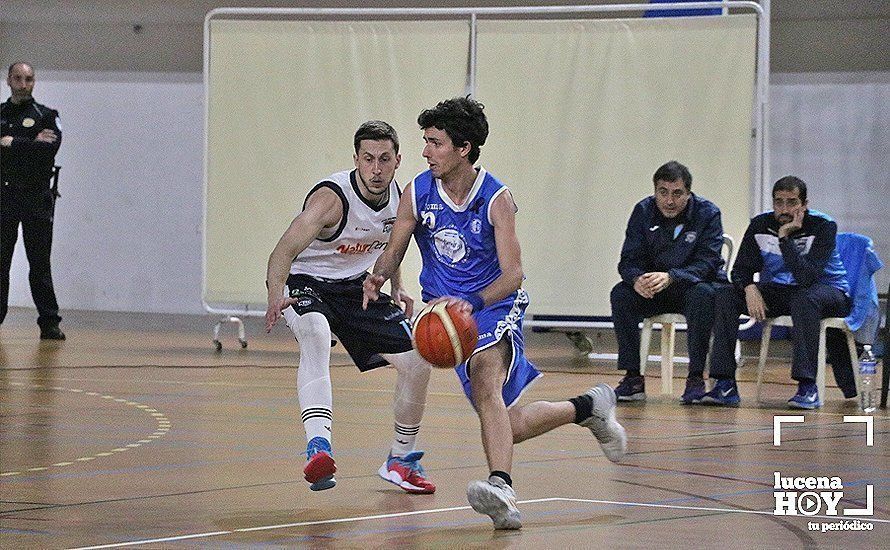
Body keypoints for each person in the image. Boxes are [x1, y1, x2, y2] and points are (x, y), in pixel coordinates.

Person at [363, 97, 626, 530]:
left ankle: (501, 487)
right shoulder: (418, 190)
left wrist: (476, 303)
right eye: (425, 142)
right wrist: (376, 278)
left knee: (487, 379)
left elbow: (514, 275)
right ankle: (588, 407)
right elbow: (394, 251)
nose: (426, 152)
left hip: (493, 306)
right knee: (506, 422)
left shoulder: (495, 198)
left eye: (435, 143)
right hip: (443, 315)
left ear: (463, 148)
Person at [265, 120, 436, 494]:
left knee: (418, 362)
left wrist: (399, 286)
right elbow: (283, 250)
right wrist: (276, 293)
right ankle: (318, 447)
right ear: (356, 159)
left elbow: (391, 246)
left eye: (385, 159)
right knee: (316, 334)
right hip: (306, 281)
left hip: (358, 287)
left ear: (398, 161)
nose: (376, 169)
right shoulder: (332, 199)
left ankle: (401, 460)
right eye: (368, 159)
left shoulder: (401, 199)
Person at [707, 176, 853, 409]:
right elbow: (740, 269)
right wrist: (749, 287)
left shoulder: (823, 226)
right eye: (779, 202)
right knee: (725, 295)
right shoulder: (760, 225)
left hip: (829, 292)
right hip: (786, 292)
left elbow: (807, 278)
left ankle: (807, 387)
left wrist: (785, 237)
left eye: (792, 202)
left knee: (805, 299)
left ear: (804, 205)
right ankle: (724, 383)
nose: (784, 209)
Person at [611, 161, 726, 404]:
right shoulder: (643, 211)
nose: (669, 201)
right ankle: (633, 378)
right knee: (620, 294)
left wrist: (672, 276)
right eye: (663, 193)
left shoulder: (708, 213)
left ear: (688, 193)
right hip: (655, 290)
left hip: (690, 287)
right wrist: (636, 280)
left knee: (703, 295)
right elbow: (628, 260)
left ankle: (696, 378)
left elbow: (708, 263)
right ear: (655, 192)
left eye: (677, 194)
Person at [1, 62, 64, 339]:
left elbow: (47, 150)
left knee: (39, 262)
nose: (23, 84)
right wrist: (31, 142)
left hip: (36, 198)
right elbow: (34, 148)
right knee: (1, 261)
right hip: (4, 197)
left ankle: (49, 322)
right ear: (8, 80)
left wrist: (12, 143)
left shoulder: (47, 115)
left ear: (34, 82)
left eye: (28, 79)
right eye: (18, 78)